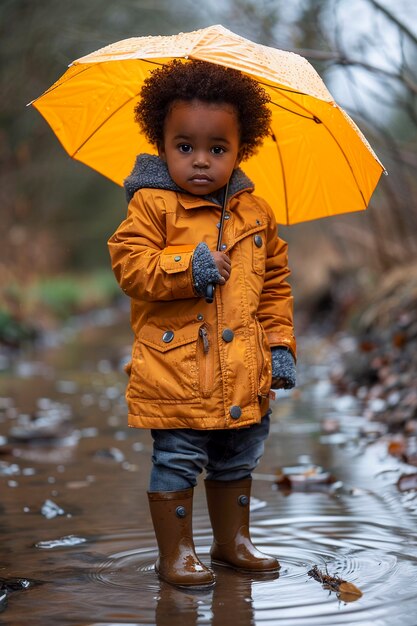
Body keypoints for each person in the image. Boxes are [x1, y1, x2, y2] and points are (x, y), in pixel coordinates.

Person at [108, 59, 296, 589]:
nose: (199, 161)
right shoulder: (150, 206)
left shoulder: (256, 214)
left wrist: (279, 348)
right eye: (184, 146)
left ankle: (233, 542)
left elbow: (275, 287)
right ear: (161, 143)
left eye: (217, 149)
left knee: (241, 453)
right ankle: (176, 554)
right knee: (178, 457)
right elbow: (130, 266)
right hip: (177, 368)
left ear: (240, 150)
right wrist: (187, 265)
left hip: (243, 370)